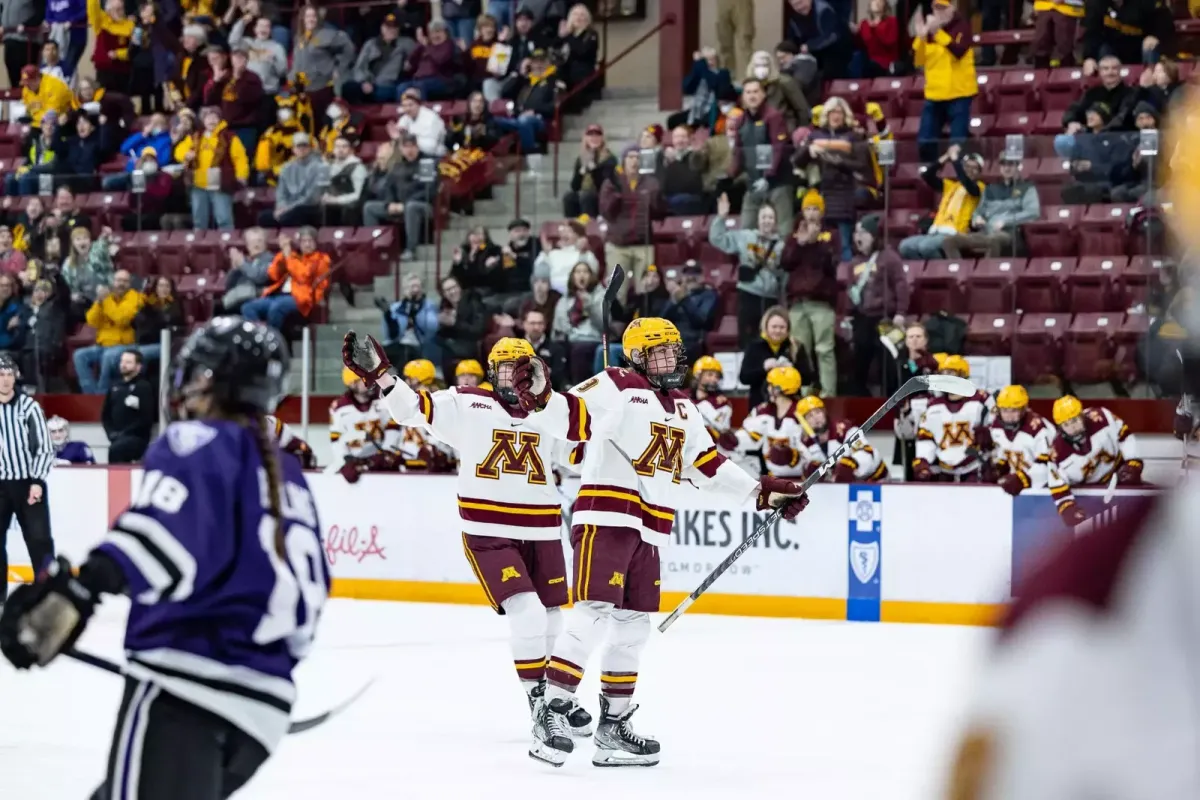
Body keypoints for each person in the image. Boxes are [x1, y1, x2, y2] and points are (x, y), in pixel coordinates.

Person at [0, 318, 331, 799]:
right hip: (264, 713)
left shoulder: (196, 442)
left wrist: (82, 586)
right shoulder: (286, 471)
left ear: (212, 380)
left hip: (186, 689)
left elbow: (163, 538)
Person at [508, 317, 812, 767]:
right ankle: (549, 712)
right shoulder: (616, 383)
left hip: (652, 526)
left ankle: (613, 728)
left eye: (674, 350)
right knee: (593, 612)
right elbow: (571, 417)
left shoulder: (685, 408)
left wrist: (761, 492)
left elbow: (707, 466)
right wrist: (540, 395)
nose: (673, 359)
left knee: (633, 627)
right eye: (662, 352)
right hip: (608, 516)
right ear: (637, 355)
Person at [342, 333, 595, 742]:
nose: (515, 378)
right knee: (528, 612)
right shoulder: (467, 403)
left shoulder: (550, 410)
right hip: (489, 531)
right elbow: (412, 411)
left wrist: (602, 430)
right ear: (493, 374)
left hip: (543, 529)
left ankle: (556, 695)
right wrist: (383, 375)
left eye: (523, 370)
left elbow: (580, 456)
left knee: (552, 617)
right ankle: (540, 705)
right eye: (507, 370)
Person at [0, 355, 56, 600]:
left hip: (27, 483)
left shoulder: (29, 407)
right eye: (1, 375)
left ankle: (48, 593)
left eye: (9, 374)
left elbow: (44, 447)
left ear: (16, 377)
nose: (5, 380)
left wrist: (37, 481)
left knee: (39, 539)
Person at [1046, 395, 1143, 525]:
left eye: (1075, 420)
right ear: (1060, 427)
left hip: (1120, 477)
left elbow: (1124, 435)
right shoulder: (1057, 452)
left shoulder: (1102, 417)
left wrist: (1133, 463)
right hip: (1089, 494)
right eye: (1066, 424)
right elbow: (1057, 484)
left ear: (1081, 416)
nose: (1072, 427)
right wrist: (1067, 508)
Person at [913, 356, 995, 483]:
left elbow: (997, 430)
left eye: (950, 373)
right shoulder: (933, 405)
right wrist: (923, 460)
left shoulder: (982, 400)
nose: (946, 378)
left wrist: (989, 439)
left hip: (975, 467)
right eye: (943, 374)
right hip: (944, 470)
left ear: (963, 375)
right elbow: (926, 438)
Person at [727, 365, 811, 478]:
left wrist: (792, 456)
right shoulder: (763, 410)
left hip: (802, 479)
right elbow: (748, 436)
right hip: (773, 478)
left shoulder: (803, 412)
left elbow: (814, 450)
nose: (768, 389)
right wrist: (734, 440)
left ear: (779, 389)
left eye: (771, 386)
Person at [329, 367, 403, 483]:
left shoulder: (382, 400)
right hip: (356, 460)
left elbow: (393, 426)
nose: (371, 382)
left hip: (380, 460)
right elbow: (336, 439)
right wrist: (346, 460)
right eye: (364, 380)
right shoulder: (340, 408)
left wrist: (387, 451)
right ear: (352, 384)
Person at [984, 384, 1056, 497]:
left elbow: (1048, 465)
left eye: (1014, 410)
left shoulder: (1039, 429)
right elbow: (1003, 454)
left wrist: (1023, 479)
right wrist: (998, 469)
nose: (1009, 415)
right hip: (1015, 487)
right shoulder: (996, 426)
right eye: (1005, 410)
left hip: (1043, 490)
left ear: (1024, 409)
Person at [793, 396, 887, 481]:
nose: (816, 418)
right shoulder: (804, 443)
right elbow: (804, 468)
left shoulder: (846, 430)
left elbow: (868, 453)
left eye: (818, 412)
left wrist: (851, 464)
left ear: (824, 412)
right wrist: (809, 471)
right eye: (810, 416)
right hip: (840, 490)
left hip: (876, 481)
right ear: (804, 422)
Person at [102, 349, 155, 464]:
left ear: (138, 367)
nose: (123, 365)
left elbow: (146, 418)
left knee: (116, 450)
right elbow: (105, 415)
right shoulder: (114, 386)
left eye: (128, 362)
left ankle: (117, 480)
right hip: (116, 437)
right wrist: (110, 433)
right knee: (116, 448)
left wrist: (124, 433)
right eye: (122, 362)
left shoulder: (144, 387)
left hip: (137, 438)